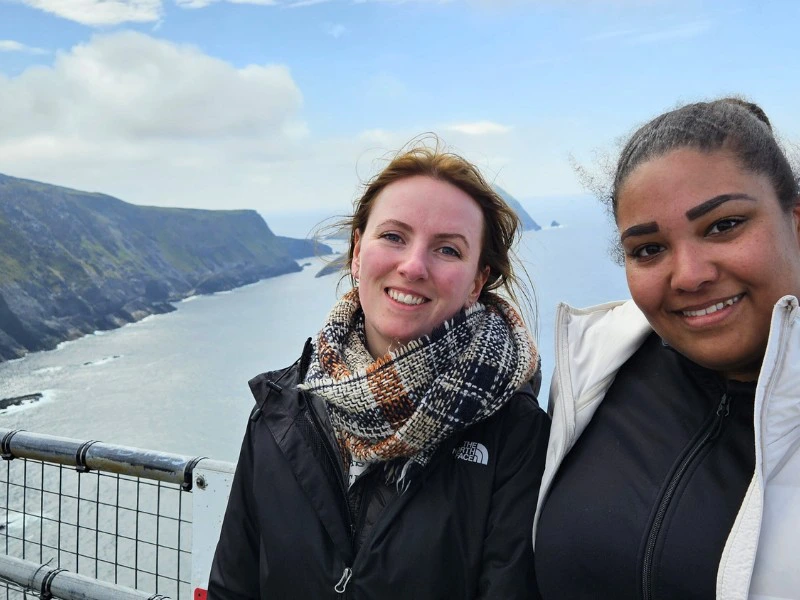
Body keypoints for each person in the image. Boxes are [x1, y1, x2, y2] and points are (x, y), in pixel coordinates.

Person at [209, 141, 551, 599]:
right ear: (356, 253)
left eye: (447, 249)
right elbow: (233, 587)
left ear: (476, 282)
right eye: (393, 236)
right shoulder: (282, 409)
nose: (412, 266)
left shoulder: (516, 434)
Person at [533, 97, 800, 600]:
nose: (690, 275)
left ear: (796, 222)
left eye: (724, 225)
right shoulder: (595, 379)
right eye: (649, 249)